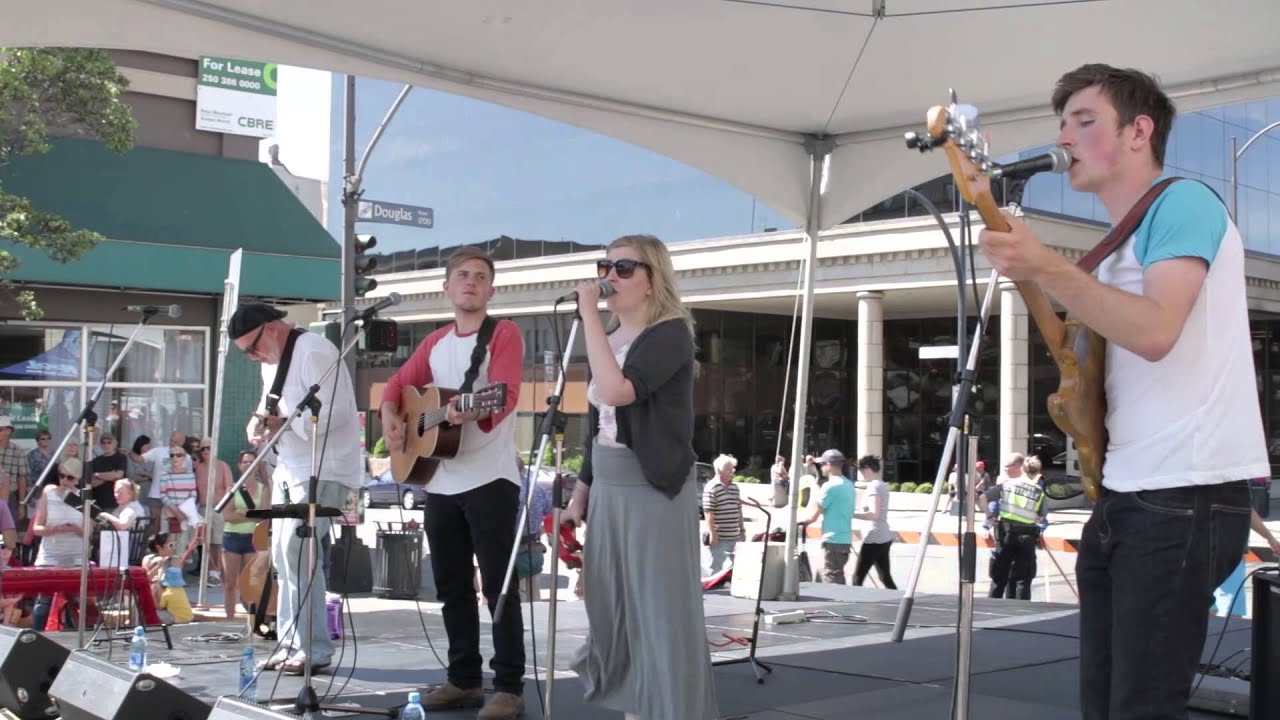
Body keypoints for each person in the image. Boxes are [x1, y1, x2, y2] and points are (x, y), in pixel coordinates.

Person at [979, 63, 1266, 718]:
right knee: (1107, 703)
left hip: (1182, 493)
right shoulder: (1116, 247)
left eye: (1085, 121)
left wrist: (1044, 264)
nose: (1067, 137)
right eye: (1062, 124)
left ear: (1140, 131)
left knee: (1140, 704)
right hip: (1129, 493)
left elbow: (1158, 330)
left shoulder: (1181, 203)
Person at [561, 234, 718, 720]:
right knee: (612, 605)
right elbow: (597, 429)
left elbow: (617, 392)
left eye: (624, 268)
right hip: (608, 484)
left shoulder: (670, 333)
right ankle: (636, 708)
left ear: (653, 280)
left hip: (652, 485)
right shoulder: (608, 340)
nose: (609, 275)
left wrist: (588, 314)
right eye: (605, 265)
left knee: (658, 610)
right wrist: (581, 492)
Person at [379, 246, 525, 720]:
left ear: (491, 289)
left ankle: (508, 686)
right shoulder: (436, 342)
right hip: (440, 480)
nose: (471, 282)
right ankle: (463, 679)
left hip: (489, 478)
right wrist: (391, 422)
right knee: (451, 586)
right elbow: (394, 388)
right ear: (446, 287)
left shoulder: (504, 333)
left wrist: (470, 409)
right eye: (462, 275)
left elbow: (503, 395)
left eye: (481, 277)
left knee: (498, 586)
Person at [231, 301, 364, 677]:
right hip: (291, 469)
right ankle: (291, 642)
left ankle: (313, 648)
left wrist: (280, 424)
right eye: (246, 353)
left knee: (299, 553)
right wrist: (258, 423)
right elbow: (269, 407)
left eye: (252, 347)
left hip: (325, 468)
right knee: (284, 557)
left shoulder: (315, 350)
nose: (253, 356)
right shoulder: (271, 362)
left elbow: (336, 412)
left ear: (271, 328)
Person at [30, 458, 86, 631]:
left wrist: (76, 529)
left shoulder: (82, 497)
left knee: (76, 599)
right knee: (44, 598)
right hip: (50, 553)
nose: (64, 481)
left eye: (69, 478)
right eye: (61, 476)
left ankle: (77, 636)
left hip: (74, 555)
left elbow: (89, 534)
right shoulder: (49, 492)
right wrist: (52, 529)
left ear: (77, 479)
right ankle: (36, 636)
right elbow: (37, 528)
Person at [985, 456, 1045, 600]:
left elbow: (983, 498)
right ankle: (1021, 611)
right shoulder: (1038, 491)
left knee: (999, 577)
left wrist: (989, 519)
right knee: (1023, 579)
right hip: (1028, 536)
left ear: (1021, 468)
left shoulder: (1007, 485)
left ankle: (991, 608)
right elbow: (1041, 516)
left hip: (1007, 534)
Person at [221, 449, 271, 619]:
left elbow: (263, 516)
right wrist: (249, 515)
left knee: (251, 581)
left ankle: (252, 617)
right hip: (232, 537)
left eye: (252, 462)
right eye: (245, 462)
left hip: (253, 538)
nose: (248, 465)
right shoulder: (232, 489)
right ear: (239, 465)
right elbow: (227, 515)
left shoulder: (263, 489)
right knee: (230, 583)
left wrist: (243, 513)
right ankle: (229, 618)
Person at [800, 449, 856, 584]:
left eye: (822, 464)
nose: (821, 468)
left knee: (830, 577)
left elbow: (813, 515)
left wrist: (799, 522)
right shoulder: (849, 485)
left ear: (829, 465)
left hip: (833, 540)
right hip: (845, 539)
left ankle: (835, 604)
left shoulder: (830, 486)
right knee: (829, 574)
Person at [852, 454, 895, 588]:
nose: (860, 473)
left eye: (861, 470)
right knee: (885, 577)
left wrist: (851, 514)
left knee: (857, 578)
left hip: (874, 537)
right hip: (884, 536)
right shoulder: (882, 485)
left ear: (868, 468)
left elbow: (874, 514)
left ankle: (852, 605)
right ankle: (900, 601)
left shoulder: (874, 487)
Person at [703, 453, 743, 576]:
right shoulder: (712, 487)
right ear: (719, 469)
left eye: (733, 468)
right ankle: (712, 592)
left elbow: (739, 509)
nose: (732, 471)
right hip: (719, 537)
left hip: (734, 535)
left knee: (734, 568)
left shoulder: (734, 487)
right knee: (715, 567)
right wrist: (713, 534)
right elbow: (709, 512)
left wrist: (742, 529)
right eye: (729, 468)